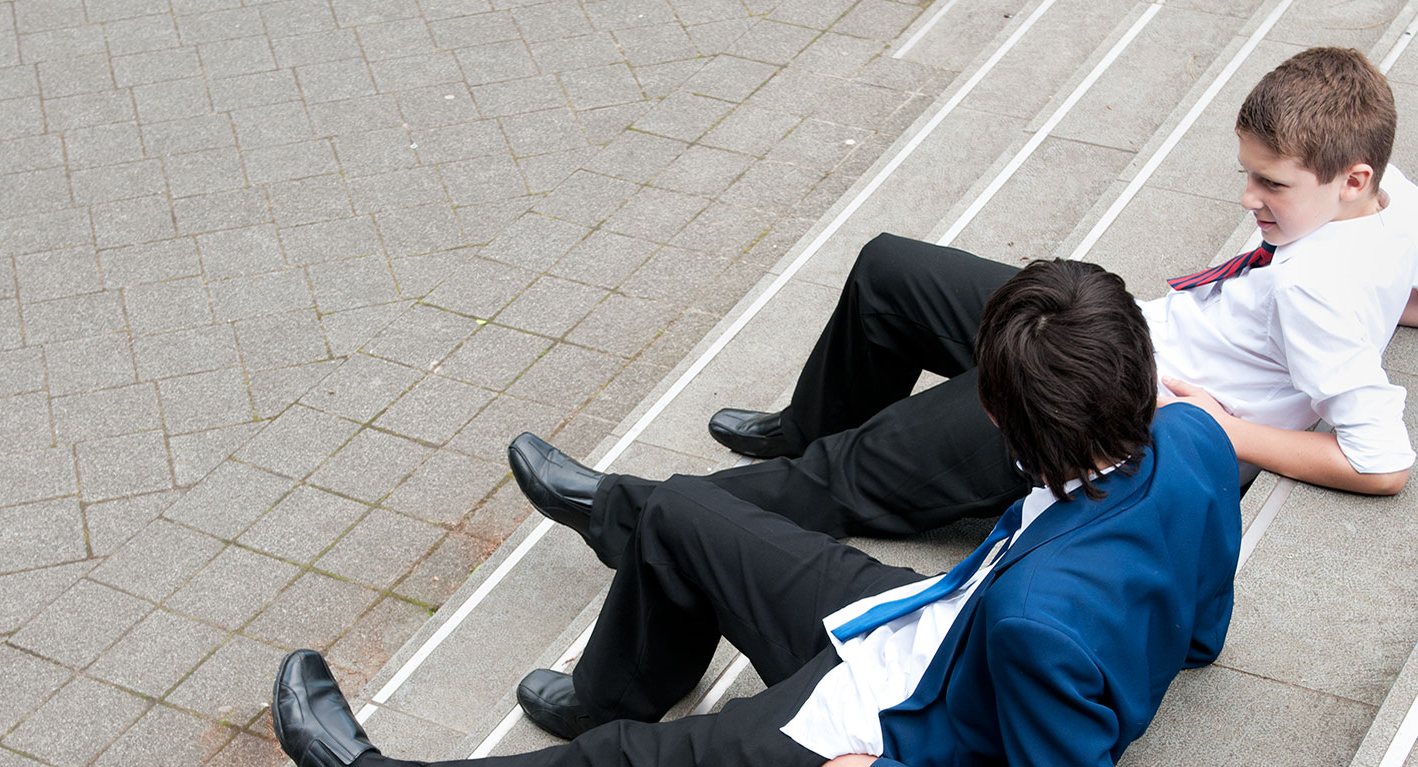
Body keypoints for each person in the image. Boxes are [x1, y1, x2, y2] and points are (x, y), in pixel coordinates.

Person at [271, 259, 1243, 766]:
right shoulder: (1191, 434)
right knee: (686, 512)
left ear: (1005, 415)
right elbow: (1200, 623)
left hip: (890, 719)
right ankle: (611, 686)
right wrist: (1169, 646)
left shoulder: (1042, 622)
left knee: (624, 762)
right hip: (923, 621)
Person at [509, 45, 1417, 551]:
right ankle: (805, 425)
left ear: (1350, 177)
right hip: (1114, 333)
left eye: (1272, 186)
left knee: (855, 473)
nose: (1249, 200)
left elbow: (1382, 463)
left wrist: (1224, 430)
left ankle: (633, 516)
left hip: (1111, 411)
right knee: (890, 270)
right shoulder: (1391, 201)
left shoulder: (1317, 288)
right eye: (1249, 175)